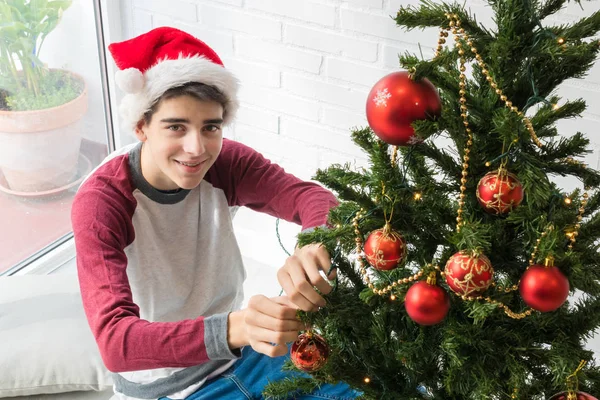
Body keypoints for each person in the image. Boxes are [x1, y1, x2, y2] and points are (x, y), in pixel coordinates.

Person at [71, 26, 359, 400]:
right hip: (166, 389)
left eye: (211, 127)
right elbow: (117, 341)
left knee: (383, 383)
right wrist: (236, 328)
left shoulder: (223, 163)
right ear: (141, 126)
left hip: (247, 356)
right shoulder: (103, 202)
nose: (196, 149)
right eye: (176, 126)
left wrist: (314, 242)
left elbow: (312, 199)